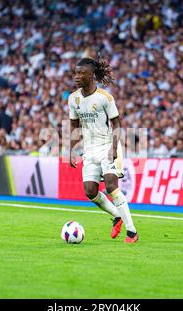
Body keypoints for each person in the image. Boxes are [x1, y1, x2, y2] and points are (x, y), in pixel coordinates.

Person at [68, 56, 138, 243]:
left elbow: (117, 124)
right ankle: (117, 216)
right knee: (90, 191)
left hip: (108, 145)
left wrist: (114, 148)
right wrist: (70, 150)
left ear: (91, 76)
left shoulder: (105, 98)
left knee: (111, 186)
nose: (77, 77)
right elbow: (74, 126)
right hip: (89, 150)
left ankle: (132, 232)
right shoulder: (73, 99)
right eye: (76, 73)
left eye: (81, 73)